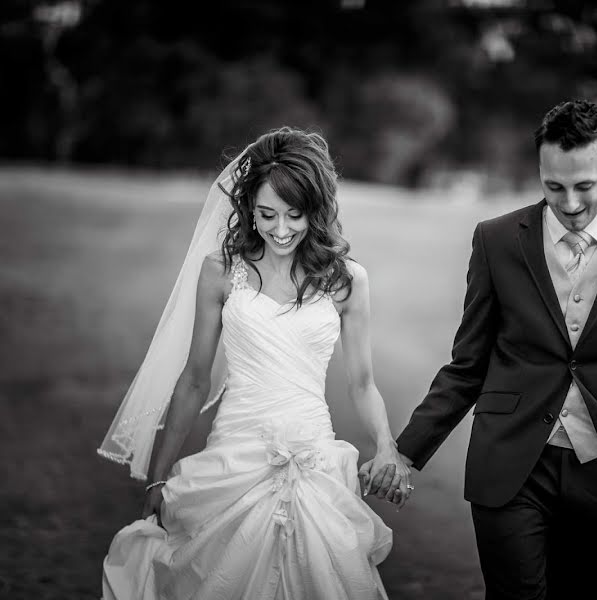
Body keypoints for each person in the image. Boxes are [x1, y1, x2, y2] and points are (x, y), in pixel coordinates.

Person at [362, 100, 597, 598]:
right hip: (509, 467)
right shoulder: (497, 240)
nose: (569, 203)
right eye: (553, 186)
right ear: (539, 171)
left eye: (585, 185)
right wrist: (405, 452)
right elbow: (468, 364)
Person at [98, 127, 410, 599]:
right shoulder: (221, 272)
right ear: (248, 209)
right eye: (266, 215)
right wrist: (159, 477)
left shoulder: (347, 281)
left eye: (293, 215)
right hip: (234, 458)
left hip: (313, 456)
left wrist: (386, 446)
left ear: (317, 209)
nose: (280, 229)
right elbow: (195, 380)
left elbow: (363, 383)